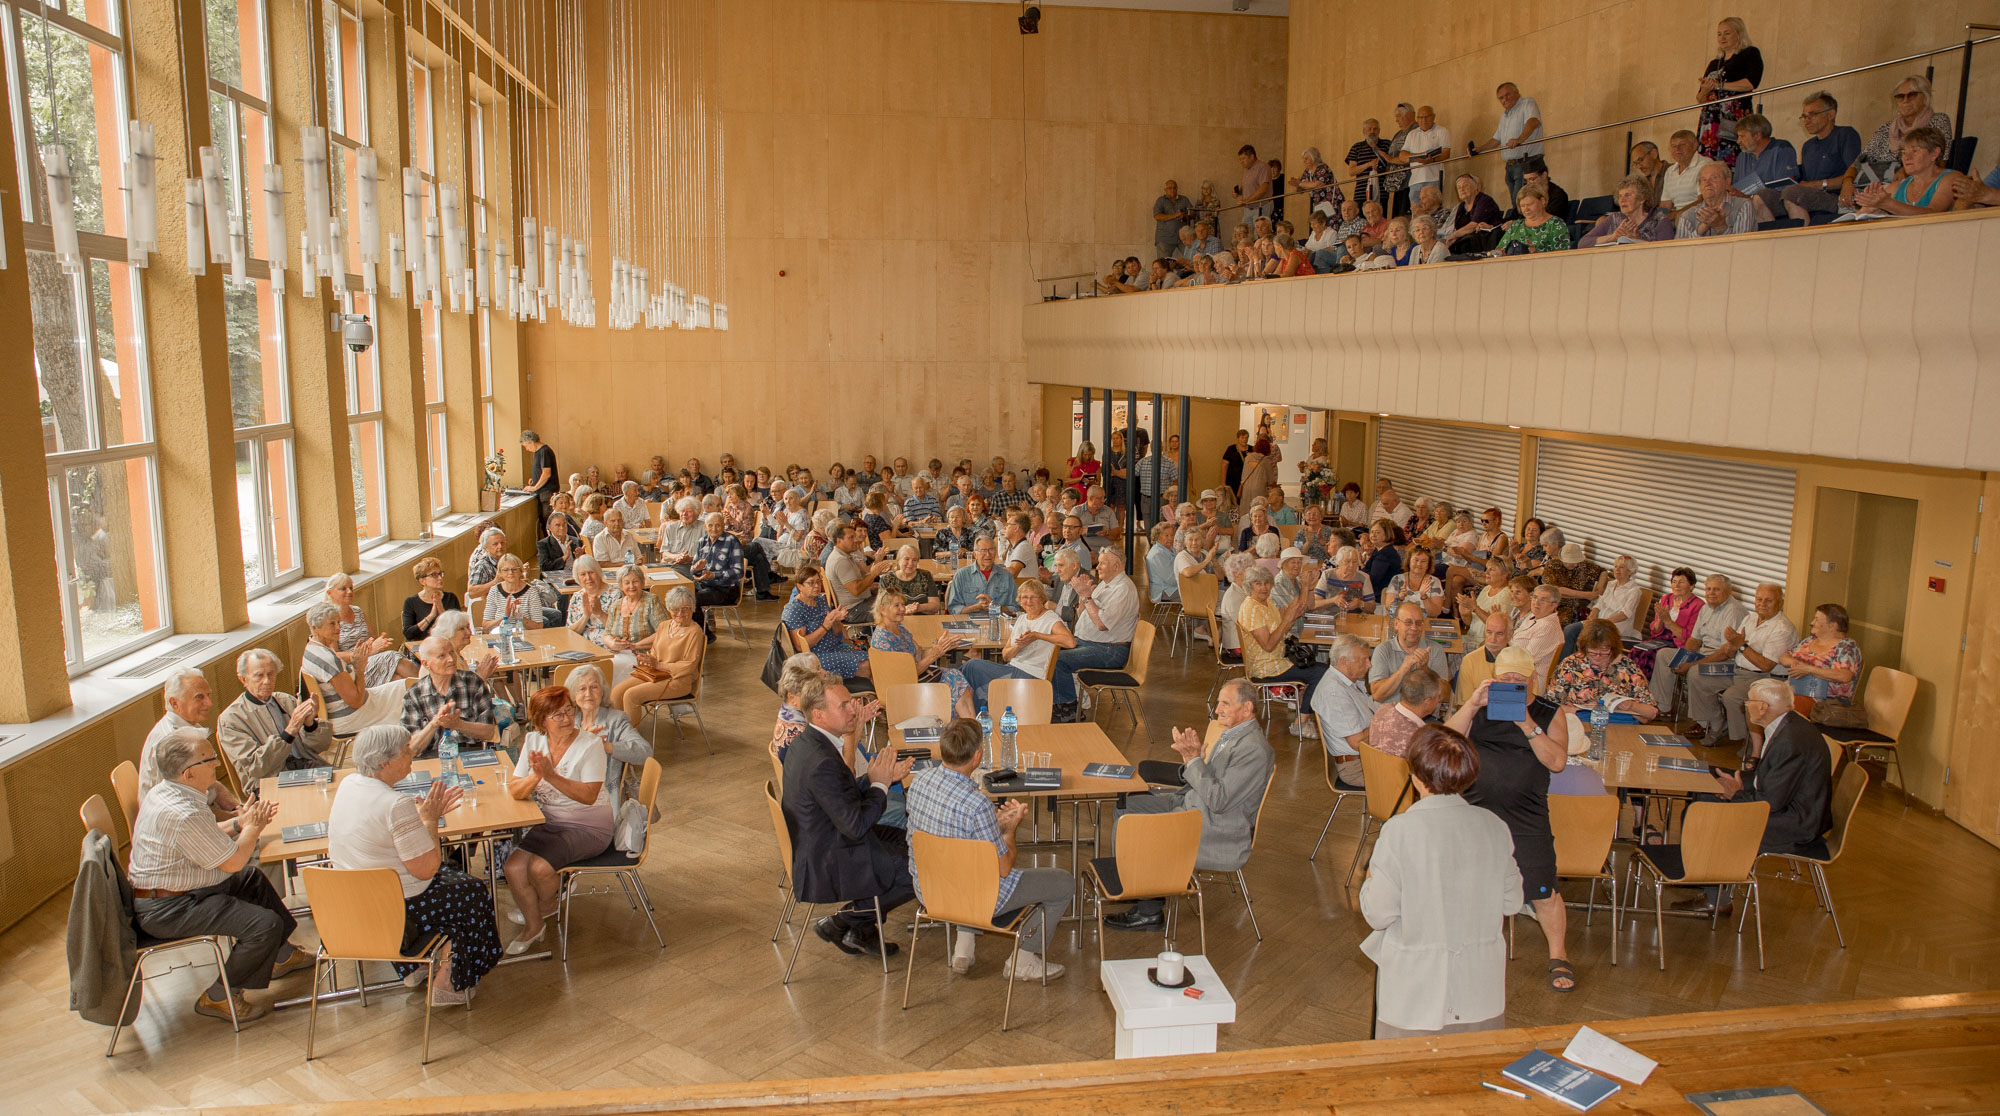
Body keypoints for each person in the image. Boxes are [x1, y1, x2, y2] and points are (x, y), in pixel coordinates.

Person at [128, 730, 313, 1023]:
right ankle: (220, 996)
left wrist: (240, 824)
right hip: (169, 910)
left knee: (252, 879)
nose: (216, 764)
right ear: (189, 774)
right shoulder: (182, 812)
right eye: (209, 759)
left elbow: (206, 838)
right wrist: (253, 827)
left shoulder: (167, 791)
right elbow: (233, 862)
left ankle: (282, 955)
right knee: (263, 924)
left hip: (175, 894)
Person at [1359, 724, 1521, 1038]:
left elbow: (1377, 913)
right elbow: (1512, 901)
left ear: (1415, 775)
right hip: (1480, 989)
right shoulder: (1495, 826)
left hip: (1415, 993)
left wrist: (1369, 880)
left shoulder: (1400, 831)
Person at [329, 721, 500, 1005]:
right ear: (385, 763)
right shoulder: (395, 805)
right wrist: (429, 819)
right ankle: (448, 983)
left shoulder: (350, 784)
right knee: (472, 891)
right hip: (394, 907)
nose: (412, 754)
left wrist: (416, 817)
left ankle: (414, 968)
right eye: (406, 751)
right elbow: (426, 869)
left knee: (451, 876)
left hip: (353, 900)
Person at [903, 718, 1071, 979]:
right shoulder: (977, 803)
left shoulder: (919, 782)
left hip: (930, 891)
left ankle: (964, 947)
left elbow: (950, 833)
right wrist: (1009, 830)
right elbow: (1004, 868)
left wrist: (993, 823)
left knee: (960, 867)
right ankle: (1024, 960)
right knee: (1063, 883)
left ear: (942, 748)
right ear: (977, 755)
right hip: (975, 898)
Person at [1447, 651, 1576, 992]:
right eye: (1503, 679)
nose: (1509, 686)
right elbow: (1445, 742)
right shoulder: (1481, 707)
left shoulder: (1549, 713)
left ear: (1531, 678)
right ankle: (1465, 952)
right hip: (1476, 813)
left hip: (1526, 815)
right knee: (1469, 887)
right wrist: (1473, 703)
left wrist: (1526, 722)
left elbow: (1557, 762)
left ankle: (1558, 954)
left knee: (1543, 891)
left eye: (1516, 680)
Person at [1104, 679, 1275, 931]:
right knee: (1125, 808)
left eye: (1225, 704)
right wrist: (1192, 758)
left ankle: (1148, 912)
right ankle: (1140, 885)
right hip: (1191, 804)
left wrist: (1194, 761)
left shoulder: (1253, 750)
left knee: (1140, 829)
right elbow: (1210, 781)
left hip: (1216, 826)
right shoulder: (1234, 735)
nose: (1217, 710)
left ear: (1247, 708)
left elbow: (1218, 801)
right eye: (1218, 703)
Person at [782, 678, 917, 959]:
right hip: (827, 858)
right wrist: (880, 785)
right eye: (843, 706)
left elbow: (839, 796)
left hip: (823, 838)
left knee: (911, 841)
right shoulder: (822, 761)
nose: (853, 711)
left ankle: (862, 930)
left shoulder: (810, 742)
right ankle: (843, 921)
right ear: (819, 715)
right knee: (917, 868)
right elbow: (856, 826)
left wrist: (874, 778)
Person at [1677, 678, 1833, 916]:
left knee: (1708, 815)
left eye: (1747, 701)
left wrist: (1737, 793)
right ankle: (1704, 872)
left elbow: (1770, 803)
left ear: (1762, 707)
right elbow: (1771, 781)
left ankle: (1715, 900)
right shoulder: (1787, 725)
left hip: (1795, 823)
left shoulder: (1790, 740)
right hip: (1785, 803)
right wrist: (1736, 785)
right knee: (1705, 782)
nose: (1744, 706)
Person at [500, 686, 614, 955]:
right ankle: (536, 922)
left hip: (589, 826)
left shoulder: (590, 745)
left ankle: (545, 907)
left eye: (568, 711)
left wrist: (550, 775)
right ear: (541, 722)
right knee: (513, 868)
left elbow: (588, 796)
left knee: (539, 869)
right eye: (557, 715)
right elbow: (515, 789)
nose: (566, 719)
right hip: (551, 822)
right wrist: (536, 776)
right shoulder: (534, 741)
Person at [1688, 582, 1797, 749]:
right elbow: (1732, 650)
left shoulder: (1782, 628)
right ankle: (1717, 725)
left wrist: (1741, 645)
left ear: (1780, 603)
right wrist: (1731, 646)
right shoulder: (1750, 618)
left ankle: (1747, 740)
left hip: (1763, 677)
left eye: (1768, 600)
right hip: (1736, 669)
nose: (1762, 604)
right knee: (1697, 674)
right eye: (1759, 599)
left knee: (1732, 696)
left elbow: (1766, 665)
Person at [217, 649, 331, 786]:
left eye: (271, 674)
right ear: (243, 679)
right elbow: (257, 767)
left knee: (347, 786)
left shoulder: (285, 700)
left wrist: (310, 725)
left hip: (307, 767)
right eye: (259, 676)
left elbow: (322, 746)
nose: (267, 681)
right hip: (270, 781)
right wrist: (289, 731)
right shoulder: (231, 719)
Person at [1049, 548, 1139, 721]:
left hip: (1110, 650)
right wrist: (1084, 597)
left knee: (1058, 661)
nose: (1098, 567)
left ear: (1117, 565)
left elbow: (1101, 624)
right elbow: (1085, 613)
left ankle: (1068, 709)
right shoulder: (1106, 584)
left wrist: (1086, 596)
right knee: (1048, 649)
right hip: (1091, 642)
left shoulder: (1123, 589)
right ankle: (1057, 700)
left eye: (1103, 563)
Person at [1237, 565, 1325, 737]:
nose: (1263, 588)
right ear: (1249, 586)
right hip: (1265, 668)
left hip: (1279, 659)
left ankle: (1302, 701)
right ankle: (1301, 722)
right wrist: (1287, 619)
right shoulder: (1251, 609)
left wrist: (1292, 614)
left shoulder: (1267, 602)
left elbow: (1282, 628)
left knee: (1319, 667)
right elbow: (1268, 645)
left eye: (1267, 583)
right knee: (1320, 673)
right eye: (1258, 584)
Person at [958, 579, 1071, 708]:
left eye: (1033, 597)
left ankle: (968, 713)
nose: (1028, 601)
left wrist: (1037, 636)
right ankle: (974, 714)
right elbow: (1006, 656)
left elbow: (1070, 642)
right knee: (971, 675)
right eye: (1025, 597)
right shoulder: (1022, 618)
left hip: (1031, 675)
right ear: (1019, 600)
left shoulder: (1050, 618)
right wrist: (1018, 646)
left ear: (1042, 599)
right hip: (1014, 668)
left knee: (972, 667)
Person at [303, 602, 410, 736]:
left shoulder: (310, 649)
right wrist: (359, 668)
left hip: (340, 712)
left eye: (338, 622)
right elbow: (356, 701)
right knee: (410, 691)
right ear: (315, 628)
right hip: (349, 718)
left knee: (404, 683)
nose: (338, 628)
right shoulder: (329, 660)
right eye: (332, 624)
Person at [1648, 573, 1747, 711]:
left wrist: (1691, 664)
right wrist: (1684, 657)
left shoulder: (1733, 611)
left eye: (1716, 589)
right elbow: (1694, 639)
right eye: (1708, 589)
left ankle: (1707, 722)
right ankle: (1661, 707)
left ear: (1728, 592)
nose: (1711, 593)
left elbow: (1726, 652)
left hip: (1723, 660)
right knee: (1664, 655)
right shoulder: (1706, 607)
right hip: (1703, 652)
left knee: (1695, 671)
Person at [564, 664, 654, 815]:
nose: (588, 694)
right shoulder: (568, 721)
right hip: (568, 794)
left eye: (594, 687)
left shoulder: (615, 721)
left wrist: (605, 746)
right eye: (582, 689)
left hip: (601, 802)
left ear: (603, 691)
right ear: (573, 695)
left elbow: (645, 752)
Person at [606, 587, 704, 724]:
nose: (680, 613)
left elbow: (688, 667)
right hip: (655, 675)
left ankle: (631, 740)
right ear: (669, 609)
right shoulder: (664, 626)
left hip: (678, 681)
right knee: (616, 692)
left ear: (693, 608)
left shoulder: (694, 632)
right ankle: (618, 732)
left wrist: (658, 664)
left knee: (631, 696)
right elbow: (655, 652)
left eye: (686, 608)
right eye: (675, 609)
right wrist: (648, 659)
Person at [870, 590, 973, 717]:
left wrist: (941, 647)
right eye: (896, 605)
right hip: (900, 689)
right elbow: (904, 676)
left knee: (957, 678)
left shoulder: (899, 628)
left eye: (903, 604)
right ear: (883, 609)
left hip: (914, 679)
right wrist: (934, 655)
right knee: (955, 681)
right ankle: (971, 728)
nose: (902, 608)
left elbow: (919, 655)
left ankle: (969, 727)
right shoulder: (883, 639)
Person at [136, 670, 229, 808]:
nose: (209, 703)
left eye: (208, 695)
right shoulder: (171, 743)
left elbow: (206, 784)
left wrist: (235, 806)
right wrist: (236, 819)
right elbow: (188, 804)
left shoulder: (189, 727)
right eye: (199, 697)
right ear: (174, 703)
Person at [1774, 91, 1865, 220]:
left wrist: (1816, 185)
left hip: (1836, 197)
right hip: (1809, 196)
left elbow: (1856, 172)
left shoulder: (1845, 134)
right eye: (1804, 116)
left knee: (1792, 193)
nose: (1807, 121)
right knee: (1764, 196)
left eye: (1813, 115)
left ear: (1831, 114)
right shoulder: (1807, 146)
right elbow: (1805, 182)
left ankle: (1803, 236)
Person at [401, 636, 499, 752]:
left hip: (469, 753)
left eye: (452, 652)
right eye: (442, 656)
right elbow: (412, 747)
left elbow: (488, 732)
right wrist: (434, 723)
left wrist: (458, 724)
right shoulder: (414, 694)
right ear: (426, 664)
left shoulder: (473, 682)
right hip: (431, 756)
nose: (451, 659)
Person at [1548, 620, 1659, 720]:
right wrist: (1576, 712)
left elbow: (1651, 713)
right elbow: (1550, 704)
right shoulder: (1571, 664)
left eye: (1604, 650)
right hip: (1577, 723)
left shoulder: (1627, 667)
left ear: (1614, 648)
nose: (1598, 656)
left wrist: (1632, 706)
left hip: (1619, 727)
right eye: (1592, 651)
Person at [1307, 634, 1377, 787]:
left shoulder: (1348, 680)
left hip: (1367, 758)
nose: (1369, 665)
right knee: (1418, 777)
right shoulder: (1334, 692)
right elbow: (1357, 742)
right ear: (1345, 661)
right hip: (1357, 767)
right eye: (1364, 659)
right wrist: (1385, 723)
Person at [1853, 127, 1966, 217]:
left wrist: (1886, 204)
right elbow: (1861, 216)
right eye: (1903, 152)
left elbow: (1933, 214)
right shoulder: (1899, 186)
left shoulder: (1952, 178)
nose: (1907, 157)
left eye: (1915, 151)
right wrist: (1870, 209)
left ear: (1934, 153)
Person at [1696, 16, 1763, 168]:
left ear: (1738, 34)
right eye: (1719, 34)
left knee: (1732, 158)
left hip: (1733, 115)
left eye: (1727, 33)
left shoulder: (1749, 54)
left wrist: (1720, 85)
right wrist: (1706, 90)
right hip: (1710, 119)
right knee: (1708, 163)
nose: (1722, 37)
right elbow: (1700, 98)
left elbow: (1750, 83)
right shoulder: (1714, 63)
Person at [323, 573, 413, 686]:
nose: (349, 592)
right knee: (393, 657)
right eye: (343, 589)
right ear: (329, 593)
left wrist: (379, 643)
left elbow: (373, 638)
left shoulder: (357, 611)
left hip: (371, 660)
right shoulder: (330, 620)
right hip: (353, 668)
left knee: (399, 679)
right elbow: (335, 656)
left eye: (351, 588)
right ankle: (433, 687)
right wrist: (367, 652)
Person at [782, 566, 868, 681]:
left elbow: (837, 633)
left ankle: (874, 696)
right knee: (867, 666)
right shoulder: (794, 609)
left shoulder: (820, 600)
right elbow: (801, 646)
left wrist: (836, 620)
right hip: (814, 658)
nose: (817, 586)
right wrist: (825, 626)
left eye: (818, 582)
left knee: (873, 661)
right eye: (811, 583)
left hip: (833, 649)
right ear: (799, 586)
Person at [1780, 603, 1863, 710]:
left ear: (1832, 625)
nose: (1812, 623)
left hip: (1827, 701)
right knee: (1761, 693)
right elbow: (1783, 657)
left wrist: (1808, 669)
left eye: (1817, 620)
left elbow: (1844, 676)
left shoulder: (1846, 646)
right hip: (1797, 690)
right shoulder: (1810, 640)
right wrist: (1800, 665)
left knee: (1778, 705)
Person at [1471, 82, 1544, 203]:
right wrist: (1479, 149)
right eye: (1501, 98)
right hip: (1510, 166)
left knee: (1524, 202)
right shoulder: (1504, 116)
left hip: (1527, 162)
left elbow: (1533, 121)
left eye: (1508, 94)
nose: (1505, 99)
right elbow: (1497, 139)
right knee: (1516, 202)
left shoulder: (1527, 103)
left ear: (1517, 92)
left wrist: (1519, 139)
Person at [1370, 602, 1451, 704]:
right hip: (1390, 714)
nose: (1414, 628)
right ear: (1396, 624)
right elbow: (1377, 695)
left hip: (1425, 717)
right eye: (1408, 622)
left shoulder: (1435, 649)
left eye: (1418, 623)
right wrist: (1404, 669)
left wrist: (1424, 670)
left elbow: (1442, 695)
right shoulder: (1383, 650)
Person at [1564, 553, 1644, 655]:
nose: (1617, 570)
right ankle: (1562, 664)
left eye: (1621, 567)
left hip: (1614, 627)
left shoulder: (1634, 591)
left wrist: (1603, 622)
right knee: (1570, 630)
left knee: (1590, 638)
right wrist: (1593, 614)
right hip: (1598, 623)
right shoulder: (1611, 584)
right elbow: (1599, 604)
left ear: (1630, 571)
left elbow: (1625, 614)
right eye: (1615, 566)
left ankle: (1583, 665)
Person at [1633, 566, 1703, 679]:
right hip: (1661, 639)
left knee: (1649, 655)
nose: (1676, 585)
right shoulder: (1666, 598)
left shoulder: (1698, 605)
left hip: (1680, 643)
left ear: (1691, 586)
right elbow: (1654, 632)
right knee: (1637, 650)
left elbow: (1689, 638)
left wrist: (1668, 620)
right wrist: (1660, 619)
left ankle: (1647, 689)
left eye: (1681, 582)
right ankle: (1635, 686)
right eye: (1674, 581)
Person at [1367, 665, 1444, 760]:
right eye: (1438, 697)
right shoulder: (1420, 737)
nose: (1439, 701)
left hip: (1375, 772)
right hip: (1401, 775)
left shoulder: (1382, 710)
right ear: (1427, 702)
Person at [1728, 114, 1798, 217]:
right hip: (1745, 205)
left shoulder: (1781, 149)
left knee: (1760, 198)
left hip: (1776, 203)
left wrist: (1749, 198)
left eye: (1742, 136)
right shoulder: (1742, 156)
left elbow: (1784, 187)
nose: (1738, 141)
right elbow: (1737, 188)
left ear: (1757, 135)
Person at [1578, 175, 1674, 247]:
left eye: (1628, 195)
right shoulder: (1614, 219)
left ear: (1642, 198)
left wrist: (1637, 241)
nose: (1622, 200)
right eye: (1620, 196)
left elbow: (1665, 251)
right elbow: (1583, 243)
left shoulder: (1660, 221)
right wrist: (1612, 237)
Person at [481, 553, 562, 632]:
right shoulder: (494, 591)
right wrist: (505, 617)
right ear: (500, 573)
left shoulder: (531, 591)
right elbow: (485, 627)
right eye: (505, 570)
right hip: (501, 636)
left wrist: (520, 618)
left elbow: (539, 626)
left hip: (525, 636)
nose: (510, 573)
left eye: (514, 569)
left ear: (521, 571)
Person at [1455, 610, 1519, 705]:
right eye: (1489, 632)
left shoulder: (1522, 662)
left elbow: (1530, 702)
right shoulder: (1470, 661)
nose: (1493, 639)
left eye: (1499, 634)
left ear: (1510, 635)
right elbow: (1464, 705)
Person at [1677, 161, 1755, 238]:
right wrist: (1700, 231)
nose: (1708, 183)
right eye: (1704, 180)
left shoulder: (1743, 206)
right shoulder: (1687, 217)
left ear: (1727, 181)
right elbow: (1679, 250)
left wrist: (1720, 227)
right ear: (1700, 186)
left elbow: (1743, 245)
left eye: (1714, 178)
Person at [944, 536, 1017, 615]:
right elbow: (953, 609)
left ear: (995, 552)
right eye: (983, 550)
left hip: (998, 622)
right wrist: (976, 607)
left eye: (991, 550)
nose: (988, 554)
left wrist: (997, 607)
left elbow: (1015, 607)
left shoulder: (1006, 576)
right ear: (975, 554)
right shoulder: (961, 575)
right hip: (969, 624)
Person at [1511, 584, 1566, 683]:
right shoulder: (1533, 616)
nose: (1536, 603)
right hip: (1514, 669)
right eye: (1535, 597)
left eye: (1543, 600)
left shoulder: (1548, 626)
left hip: (1529, 680)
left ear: (1554, 605)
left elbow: (1527, 659)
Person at [403, 556, 464, 642]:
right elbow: (408, 633)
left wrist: (440, 608)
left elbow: (458, 628)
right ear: (422, 581)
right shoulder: (411, 602)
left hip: (447, 644)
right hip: (421, 646)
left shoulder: (451, 598)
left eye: (440, 574)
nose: (440, 578)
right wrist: (431, 616)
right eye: (434, 575)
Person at [1493, 184, 1569, 254]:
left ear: (1542, 201)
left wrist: (1536, 254)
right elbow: (1499, 250)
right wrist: (1500, 253)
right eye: (1522, 206)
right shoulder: (1515, 226)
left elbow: (1562, 255)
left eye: (1530, 204)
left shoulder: (1556, 224)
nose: (1526, 209)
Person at [1659, 129, 1717, 219]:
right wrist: (1658, 218)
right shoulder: (1670, 171)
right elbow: (1665, 204)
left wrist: (1677, 214)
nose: (1677, 149)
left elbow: (1704, 200)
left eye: (1682, 145)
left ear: (1694, 145)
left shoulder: (1705, 165)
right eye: (1673, 146)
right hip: (1677, 218)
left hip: (1700, 216)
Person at [1380, 546, 1446, 620]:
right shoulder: (1397, 579)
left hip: (1423, 623)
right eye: (1416, 560)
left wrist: (1424, 597)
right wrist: (1400, 598)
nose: (1419, 564)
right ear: (1409, 561)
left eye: (1423, 561)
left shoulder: (1434, 582)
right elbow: (1389, 608)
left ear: (1429, 564)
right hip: (1401, 622)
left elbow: (1435, 613)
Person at [879, 544, 943, 614]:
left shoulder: (925, 576)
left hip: (922, 619)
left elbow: (935, 606)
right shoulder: (887, 579)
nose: (910, 563)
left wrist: (919, 608)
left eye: (914, 560)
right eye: (907, 559)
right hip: (895, 620)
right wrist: (902, 609)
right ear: (898, 560)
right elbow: (883, 608)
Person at [1294, 146, 1344, 219]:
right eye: (1303, 159)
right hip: (1317, 203)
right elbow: (1301, 189)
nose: (1304, 161)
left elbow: (1317, 184)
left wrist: (1300, 183)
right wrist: (1297, 185)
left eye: (1306, 158)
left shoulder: (1322, 167)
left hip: (1331, 202)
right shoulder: (1307, 171)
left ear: (1313, 157)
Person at [1152, 179, 1193, 261]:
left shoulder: (1184, 199)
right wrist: (1174, 215)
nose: (1172, 190)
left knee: (1192, 259)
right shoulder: (1161, 200)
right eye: (1170, 188)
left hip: (1183, 238)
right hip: (1165, 238)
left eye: (1174, 188)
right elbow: (1157, 216)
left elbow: (1193, 213)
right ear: (1165, 190)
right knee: (1163, 264)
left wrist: (1184, 216)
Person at [1361, 519, 1404, 595]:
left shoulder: (1385, 554)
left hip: (1380, 596)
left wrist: (1360, 563)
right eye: (1372, 532)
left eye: (1378, 532)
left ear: (1387, 534)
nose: (1373, 535)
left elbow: (1371, 580)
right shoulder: (1378, 550)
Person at [537, 506, 582, 576]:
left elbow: (584, 565)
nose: (562, 528)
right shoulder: (544, 544)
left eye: (564, 524)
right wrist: (564, 557)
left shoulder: (576, 541)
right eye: (558, 525)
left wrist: (580, 557)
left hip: (575, 576)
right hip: (555, 577)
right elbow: (544, 567)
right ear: (550, 528)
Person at [466, 528, 508, 601]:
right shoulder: (482, 566)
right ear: (486, 547)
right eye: (495, 544)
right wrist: (495, 582)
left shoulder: (508, 560)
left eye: (502, 543)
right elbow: (471, 592)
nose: (500, 546)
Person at [1234, 143, 1274, 221]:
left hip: (1261, 207)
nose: (1241, 162)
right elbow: (1248, 186)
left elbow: (1263, 189)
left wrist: (1246, 201)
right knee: (1243, 230)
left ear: (1252, 157)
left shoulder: (1263, 167)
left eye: (1243, 158)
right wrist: (1238, 192)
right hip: (1248, 208)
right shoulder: (1246, 169)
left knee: (1259, 232)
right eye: (1240, 159)